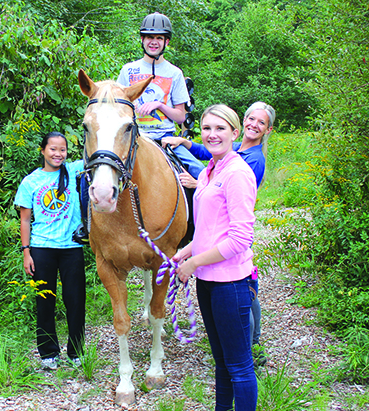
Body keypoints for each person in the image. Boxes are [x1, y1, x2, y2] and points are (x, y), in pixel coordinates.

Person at [162, 101, 275, 365]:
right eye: (251, 118)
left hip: (231, 240)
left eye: (261, 122)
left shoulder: (250, 163)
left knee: (245, 293)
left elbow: (238, 229)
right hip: (217, 246)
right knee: (225, 357)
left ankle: (252, 344)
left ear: (267, 130)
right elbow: (207, 150)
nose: (253, 124)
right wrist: (185, 143)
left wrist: (198, 181)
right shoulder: (235, 150)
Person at [173, 105, 258, 411]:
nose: (212, 134)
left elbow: (239, 239)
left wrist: (193, 263)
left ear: (235, 133)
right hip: (208, 283)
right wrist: (185, 252)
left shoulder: (237, 173)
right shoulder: (210, 170)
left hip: (230, 283)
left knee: (239, 366)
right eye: (206, 128)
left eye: (220, 128)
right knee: (222, 362)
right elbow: (209, 231)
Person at [14, 131, 86, 370]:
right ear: (43, 150)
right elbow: (25, 220)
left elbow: (98, 152)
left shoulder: (75, 170)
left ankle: (76, 352)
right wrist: (26, 252)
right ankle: (48, 353)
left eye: (62, 149)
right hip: (42, 247)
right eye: (53, 149)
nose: (58, 154)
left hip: (72, 247)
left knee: (76, 301)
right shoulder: (31, 182)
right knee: (45, 301)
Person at [116, 12, 205, 179]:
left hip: (165, 138)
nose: (154, 42)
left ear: (166, 41)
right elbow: (117, 109)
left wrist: (160, 105)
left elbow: (180, 117)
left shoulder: (174, 73)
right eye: (149, 37)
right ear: (142, 39)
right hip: (134, 136)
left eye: (159, 37)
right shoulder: (127, 70)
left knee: (199, 171)